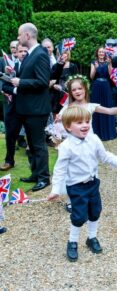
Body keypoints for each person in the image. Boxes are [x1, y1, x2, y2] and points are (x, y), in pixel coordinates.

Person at [47, 105, 117, 262]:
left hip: (93, 183)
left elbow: (104, 156)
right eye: (79, 122)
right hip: (76, 187)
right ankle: (72, 242)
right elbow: (60, 171)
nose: (85, 125)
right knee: (79, 216)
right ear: (68, 127)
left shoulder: (94, 139)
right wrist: (55, 190)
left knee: (95, 211)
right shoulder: (66, 147)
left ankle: (91, 237)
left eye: (87, 121)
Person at [55, 74, 117, 213]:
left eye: (79, 88)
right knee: (72, 171)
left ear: (85, 89)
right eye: (74, 90)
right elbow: (60, 121)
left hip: (89, 141)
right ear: (70, 92)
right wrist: (59, 119)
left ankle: (91, 194)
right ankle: (71, 198)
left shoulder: (91, 106)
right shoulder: (68, 107)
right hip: (74, 144)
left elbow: (109, 111)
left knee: (90, 166)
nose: (77, 92)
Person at [9, 23, 51, 192]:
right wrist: (14, 76)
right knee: (31, 145)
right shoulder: (30, 54)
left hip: (36, 109)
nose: (18, 38)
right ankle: (35, 173)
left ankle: (44, 178)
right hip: (27, 109)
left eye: (19, 35)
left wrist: (21, 82)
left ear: (27, 35)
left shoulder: (40, 54)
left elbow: (42, 82)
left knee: (39, 145)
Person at [0, 44, 28, 171]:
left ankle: (35, 167)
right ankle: (9, 160)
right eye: (19, 51)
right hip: (14, 107)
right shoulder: (12, 67)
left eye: (25, 51)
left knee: (32, 137)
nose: (22, 53)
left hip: (30, 107)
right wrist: (16, 90)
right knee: (10, 134)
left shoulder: (33, 66)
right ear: (15, 52)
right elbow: (5, 87)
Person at [90, 46, 117, 141]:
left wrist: (110, 64)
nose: (101, 53)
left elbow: (111, 75)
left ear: (105, 53)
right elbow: (91, 76)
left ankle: (108, 132)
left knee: (107, 106)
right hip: (97, 86)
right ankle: (97, 132)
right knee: (97, 107)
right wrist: (95, 68)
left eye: (103, 52)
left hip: (106, 86)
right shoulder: (94, 62)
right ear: (97, 53)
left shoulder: (108, 62)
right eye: (100, 52)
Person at [51, 50, 78, 115]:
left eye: (65, 53)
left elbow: (77, 79)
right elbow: (51, 79)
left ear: (68, 54)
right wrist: (54, 85)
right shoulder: (55, 66)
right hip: (57, 93)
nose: (63, 55)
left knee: (69, 112)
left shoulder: (73, 66)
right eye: (62, 53)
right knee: (57, 112)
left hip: (68, 93)